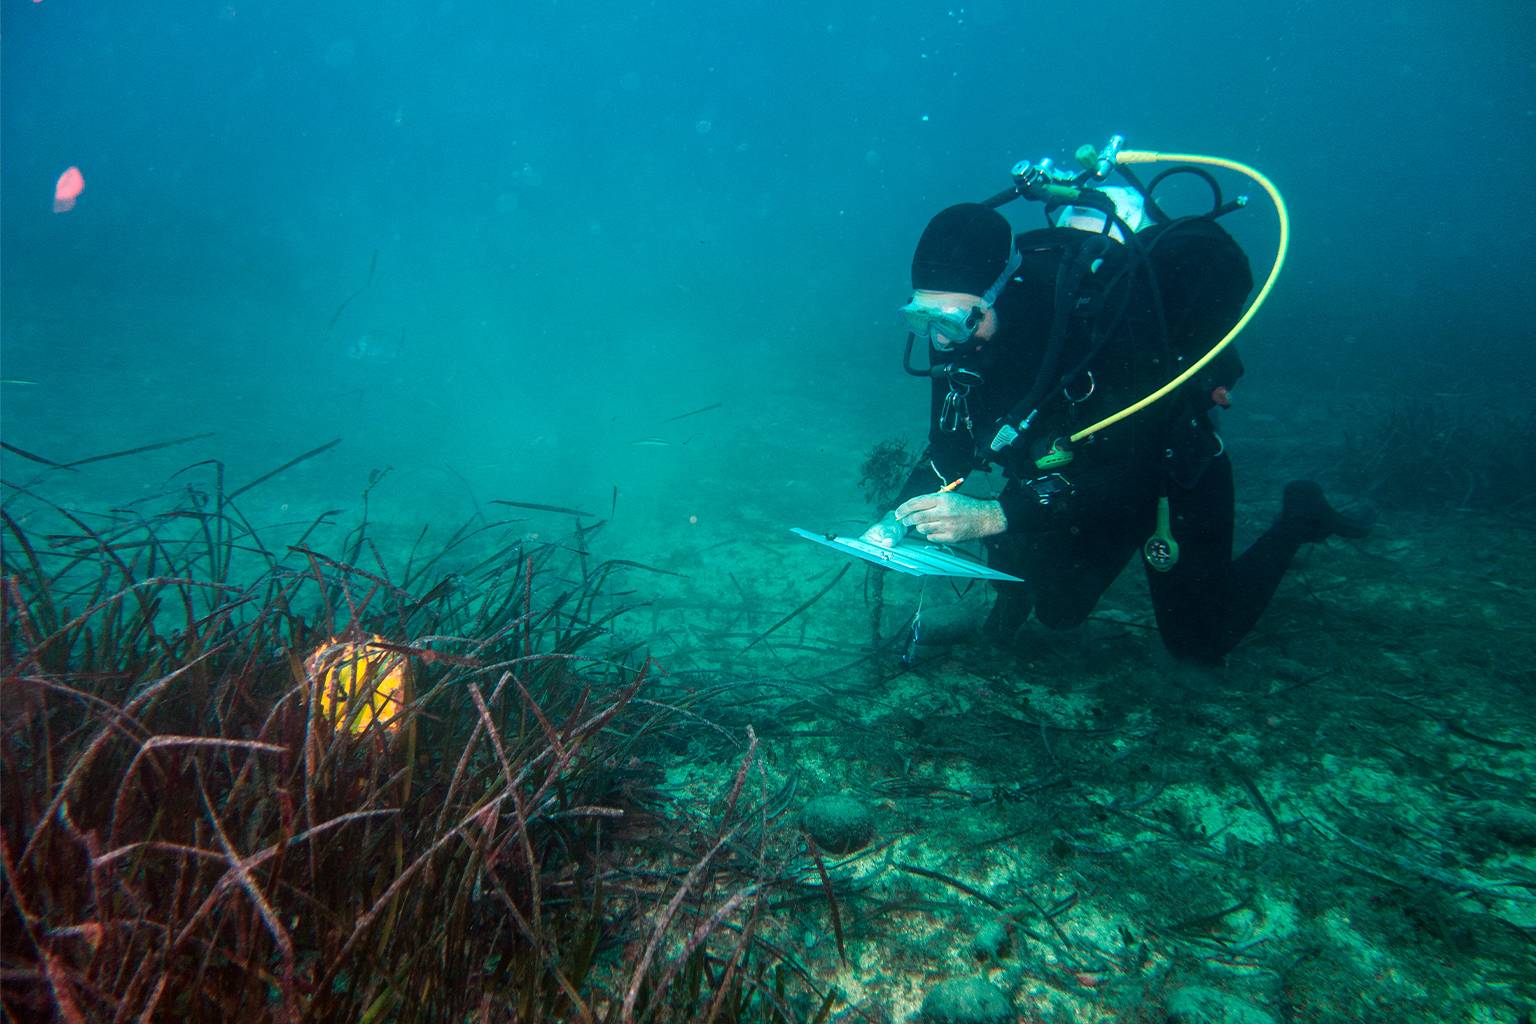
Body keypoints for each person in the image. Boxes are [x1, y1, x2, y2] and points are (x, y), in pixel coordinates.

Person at [860, 192, 1372, 665]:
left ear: (1000, 288)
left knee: (1201, 641)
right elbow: (949, 444)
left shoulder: (1099, 324)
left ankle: (1300, 518)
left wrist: (996, 514)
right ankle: (1019, 596)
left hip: (1163, 467)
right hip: (1066, 481)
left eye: (951, 320)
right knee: (1059, 612)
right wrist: (893, 520)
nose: (940, 339)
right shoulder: (957, 329)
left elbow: (1134, 465)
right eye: (920, 317)